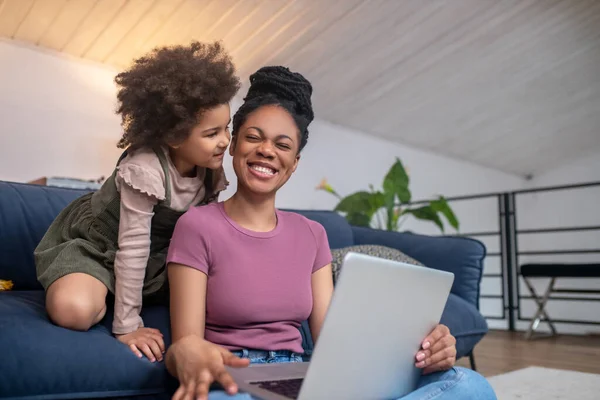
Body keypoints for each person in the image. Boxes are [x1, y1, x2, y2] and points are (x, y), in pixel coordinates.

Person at [164, 66, 497, 400]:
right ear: (233, 145)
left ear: (293, 163)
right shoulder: (197, 225)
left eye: (283, 144)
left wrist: (428, 348)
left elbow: (331, 343)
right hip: (235, 381)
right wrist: (187, 355)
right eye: (253, 137)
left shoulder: (312, 234)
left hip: (304, 377)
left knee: (469, 385)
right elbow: (185, 345)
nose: (266, 150)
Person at [34, 41, 240, 363]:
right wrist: (127, 325)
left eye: (226, 128)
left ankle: (115, 292)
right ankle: (100, 291)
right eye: (212, 133)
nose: (225, 141)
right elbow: (132, 246)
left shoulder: (210, 171)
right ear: (174, 137)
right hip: (103, 247)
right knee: (72, 311)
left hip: (156, 262)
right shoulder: (144, 168)